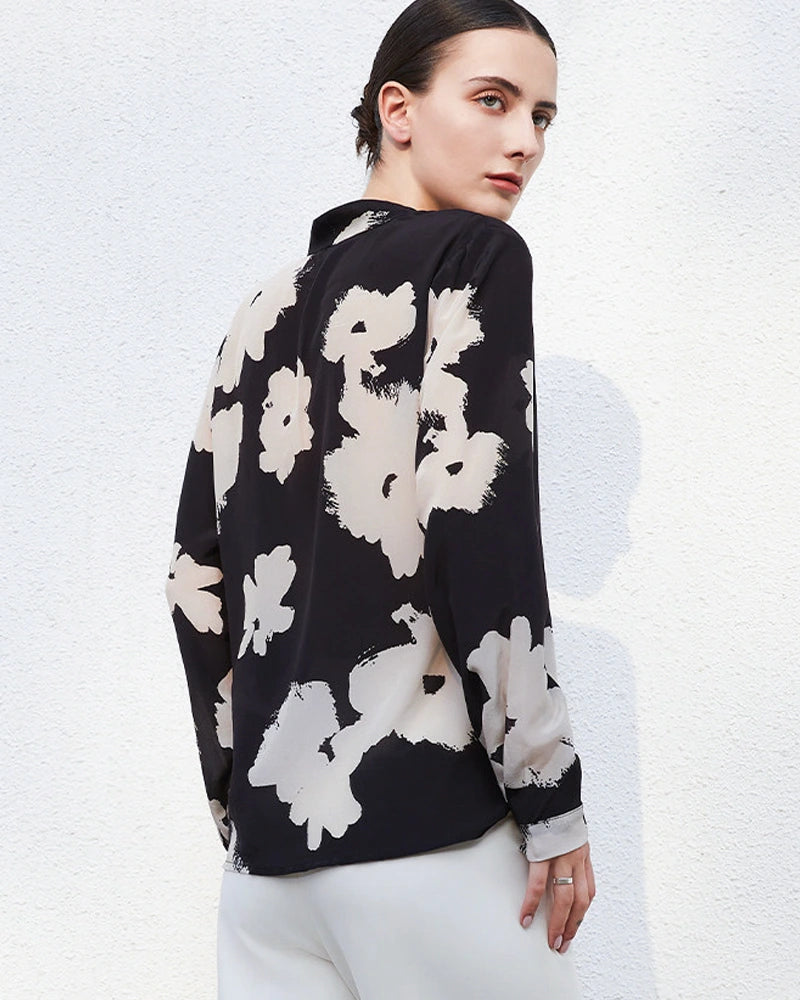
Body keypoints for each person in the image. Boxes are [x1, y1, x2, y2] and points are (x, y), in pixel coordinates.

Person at [165, 1, 596, 996]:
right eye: (492, 100)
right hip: (429, 846)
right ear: (396, 110)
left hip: (269, 881)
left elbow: (195, 580)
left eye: (541, 115)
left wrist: (243, 806)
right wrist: (549, 798)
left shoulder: (258, 311)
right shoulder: (472, 257)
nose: (524, 142)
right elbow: (477, 532)